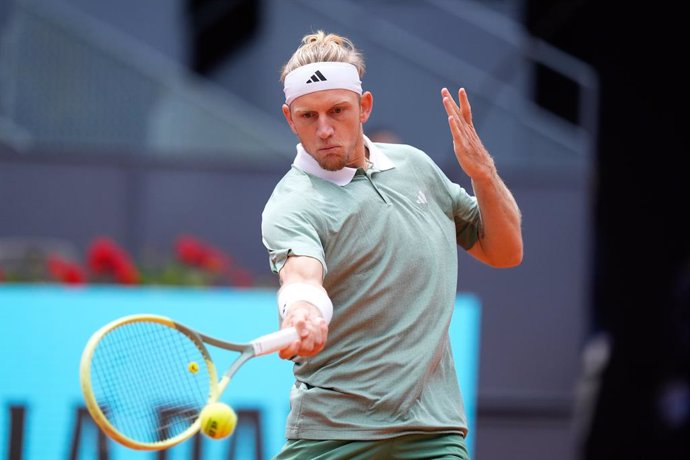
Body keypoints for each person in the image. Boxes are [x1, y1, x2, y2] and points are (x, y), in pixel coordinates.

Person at [261, 30, 523, 460]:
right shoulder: (292, 203)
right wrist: (303, 312)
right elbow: (302, 277)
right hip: (334, 433)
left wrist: (483, 173)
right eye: (308, 116)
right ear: (290, 118)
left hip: (432, 432)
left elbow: (505, 251)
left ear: (364, 107)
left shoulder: (416, 168)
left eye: (337, 111)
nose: (324, 129)